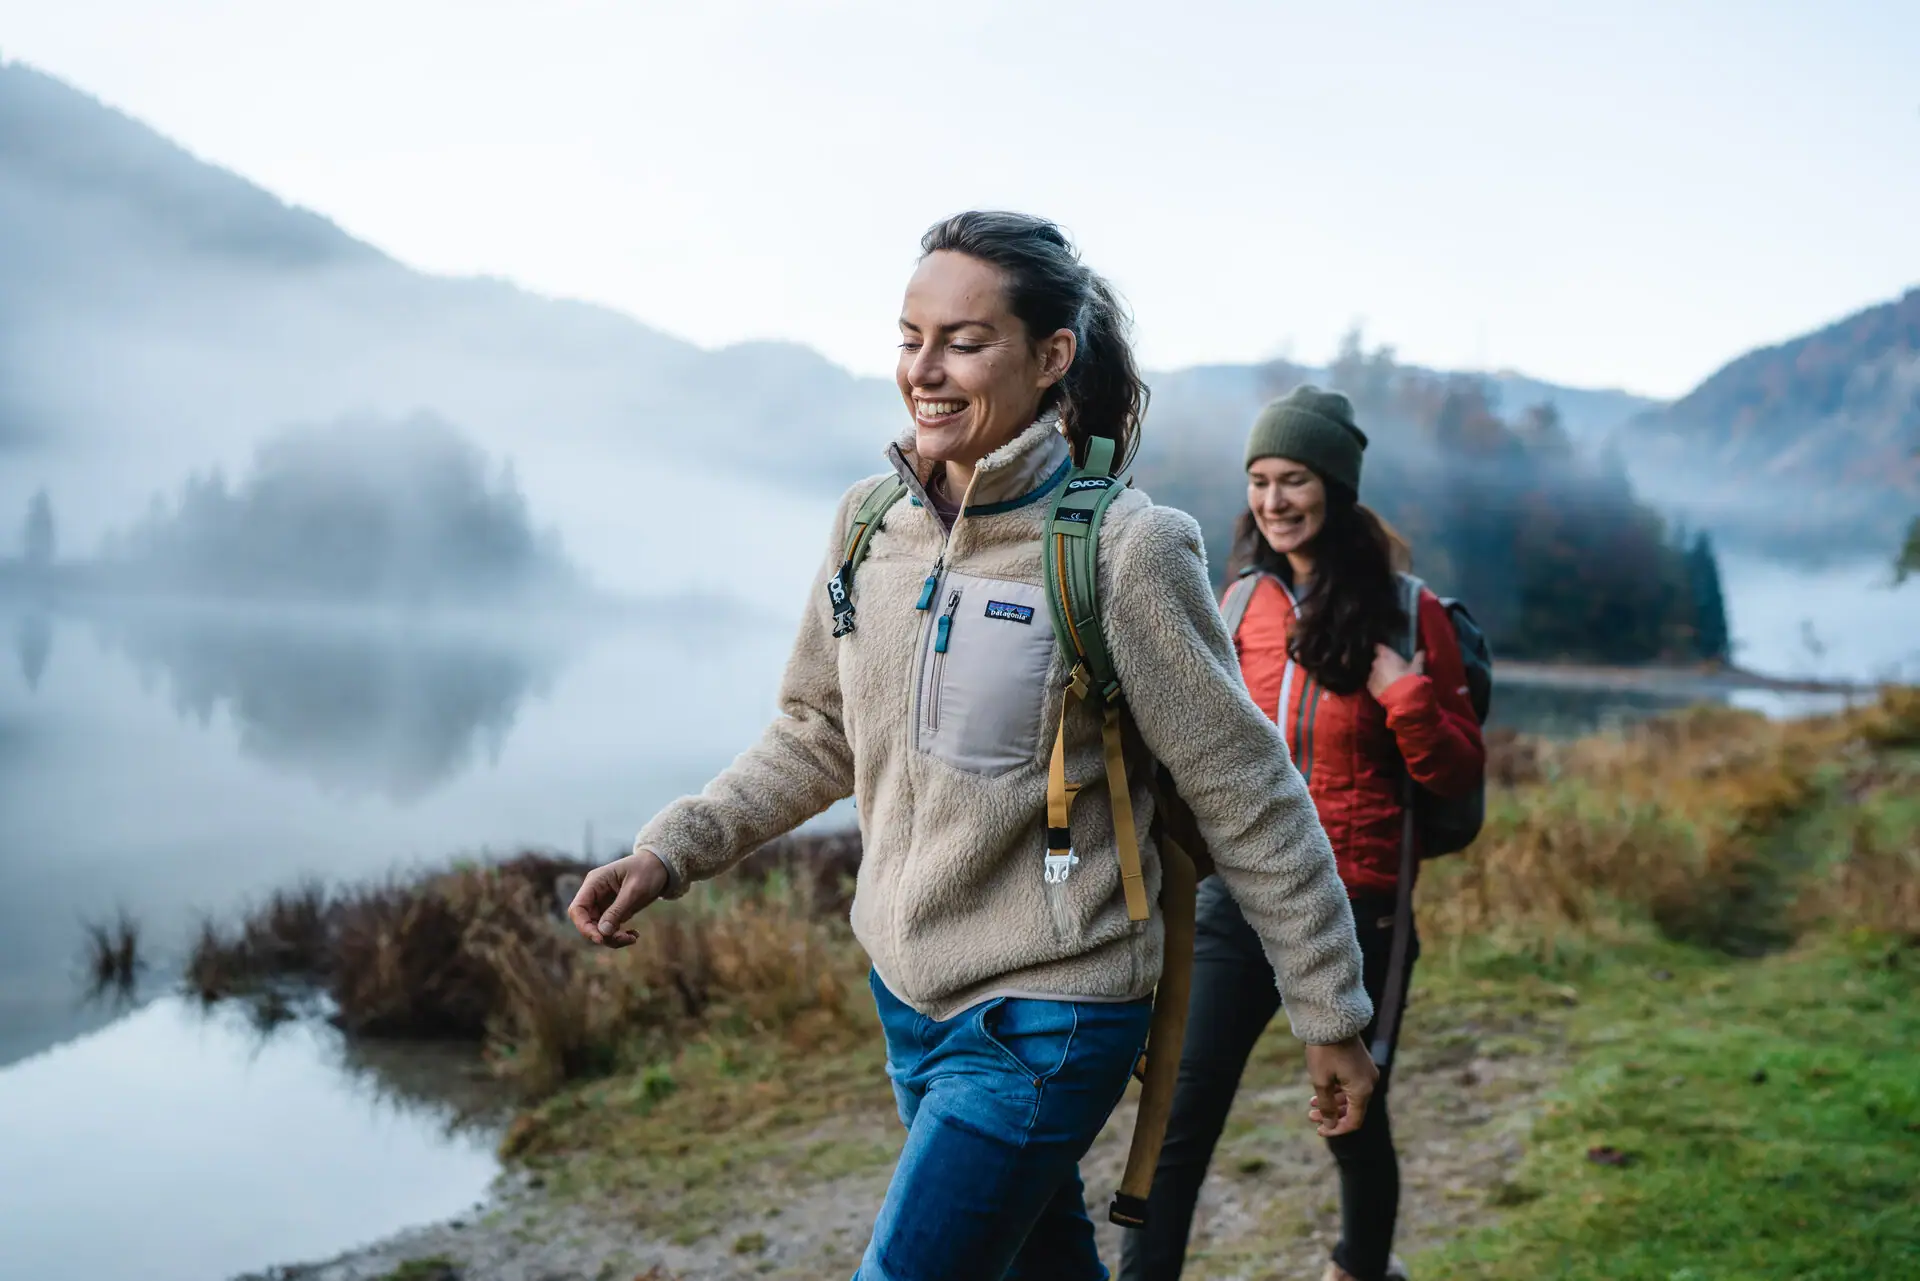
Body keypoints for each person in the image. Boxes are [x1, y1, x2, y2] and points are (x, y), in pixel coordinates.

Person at [566, 214, 1379, 1281]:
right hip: (909, 999)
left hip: (1053, 1012)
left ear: (1051, 358)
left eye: (963, 339)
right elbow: (818, 730)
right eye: (910, 337)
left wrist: (1329, 1012)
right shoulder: (869, 527)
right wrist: (672, 849)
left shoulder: (1125, 551)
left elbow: (1249, 794)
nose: (925, 370)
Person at [1118, 386, 1486, 1281]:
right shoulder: (1238, 603)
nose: (1274, 501)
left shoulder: (1411, 612)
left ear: (1337, 488)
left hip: (1360, 905)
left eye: (1294, 480)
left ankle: (1362, 1268)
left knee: (1351, 1112)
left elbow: (1457, 776)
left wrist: (1405, 694)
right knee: (1177, 1115)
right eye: (1259, 480)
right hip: (1237, 897)